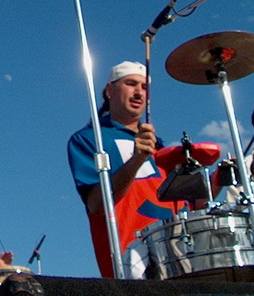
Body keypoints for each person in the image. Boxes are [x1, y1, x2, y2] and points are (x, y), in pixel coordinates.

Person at [67, 61, 180, 278]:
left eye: (144, 87)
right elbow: (97, 204)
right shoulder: (91, 138)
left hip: (177, 259)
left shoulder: (161, 148)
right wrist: (137, 160)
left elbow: (188, 206)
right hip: (130, 264)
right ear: (110, 91)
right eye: (131, 84)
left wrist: (219, 179)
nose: (139, 92)